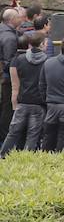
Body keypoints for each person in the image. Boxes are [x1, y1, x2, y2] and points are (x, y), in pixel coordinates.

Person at [0, 33, 49, 155]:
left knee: (13, 133)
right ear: (42, 44)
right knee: (33, 135)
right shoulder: (48, 62)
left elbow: (15, 86)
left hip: (22, 102)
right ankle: (26, 160)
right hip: (39, 104)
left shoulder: (19, 60)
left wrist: (14, 104)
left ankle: (3, 156)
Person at [0, 7, 21, 142]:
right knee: (7, 107)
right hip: (7, 78)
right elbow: (10, 61)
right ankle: (4, 138)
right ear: (13, 20)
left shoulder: (3, 31)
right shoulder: (9, 38)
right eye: (18, 17)